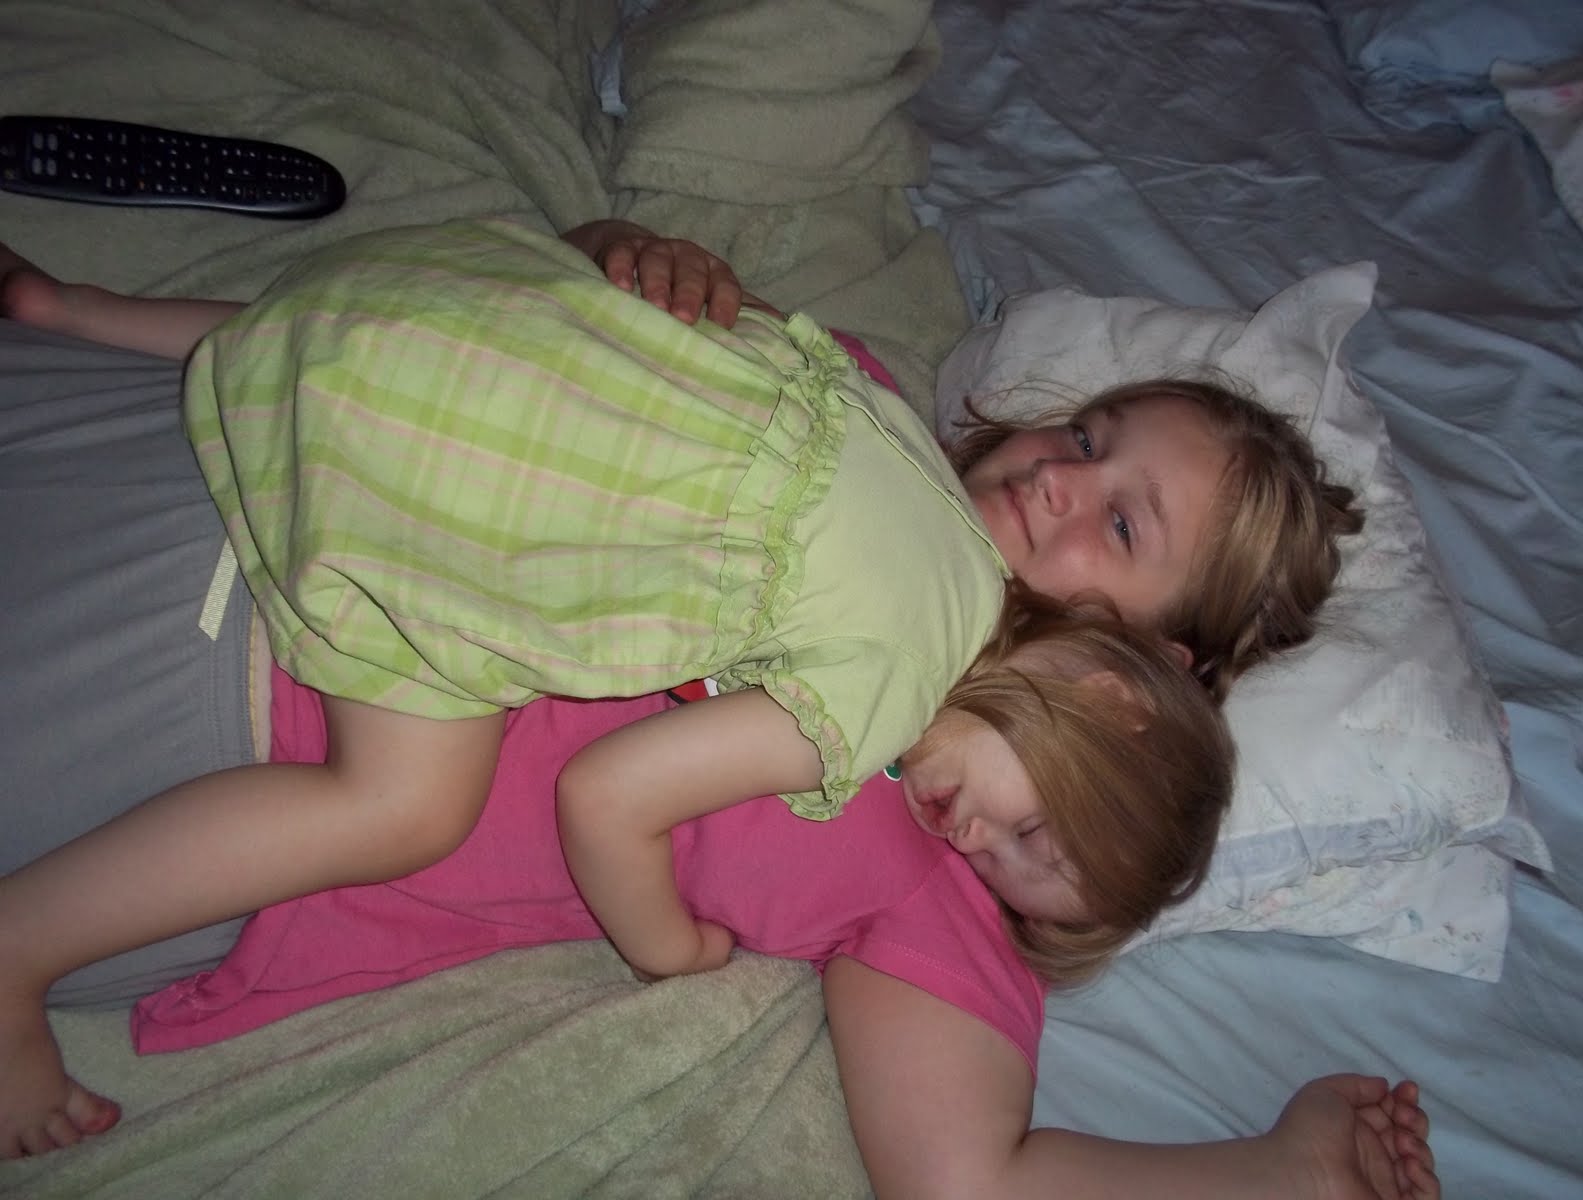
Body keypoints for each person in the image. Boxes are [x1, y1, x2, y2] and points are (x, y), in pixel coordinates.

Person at [0, 230, 1428, 1200]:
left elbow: (964, 1178)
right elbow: (530, 335)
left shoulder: (958, 855)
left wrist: (1273, 1173)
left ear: (1149, 671)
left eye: (1119, 524)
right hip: (214, 447)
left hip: (211, 750)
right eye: (1087, 435)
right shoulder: (860, 399)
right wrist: (627, 250)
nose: (1057, 474)